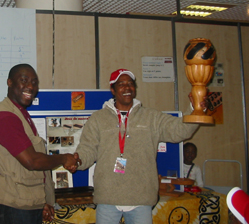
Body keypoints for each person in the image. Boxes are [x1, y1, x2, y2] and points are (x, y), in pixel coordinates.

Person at [73, 68, 205, 224]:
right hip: (107, 199)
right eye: (121, 84)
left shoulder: (151, 117)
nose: (127, 87)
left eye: (130, 83)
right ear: (112, 90)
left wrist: (196, 109)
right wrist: (77, 161)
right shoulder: (98, 119)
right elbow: (87, 149)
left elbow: (180, 131)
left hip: (141, 200)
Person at [0, 63, 78, 224]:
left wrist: (43, 201)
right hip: (13, 206)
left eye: (34, 82)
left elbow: (32, 170)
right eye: (24, 80)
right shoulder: (6, 117)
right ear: (9, 82)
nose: (30, 86)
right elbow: (32, 161)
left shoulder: (20, 114)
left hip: (25, 203)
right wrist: (64, 159)